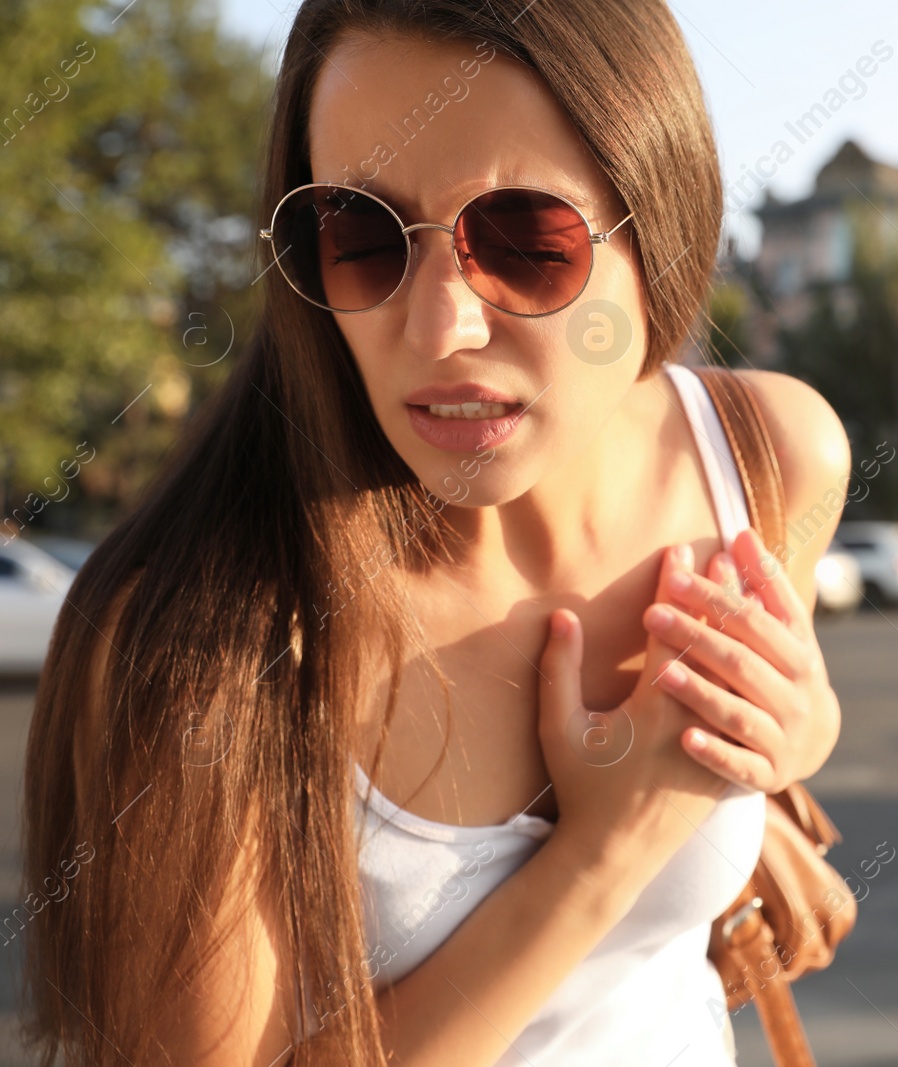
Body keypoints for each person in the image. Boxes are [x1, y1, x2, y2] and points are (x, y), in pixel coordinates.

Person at [19, 2, 850, 1064]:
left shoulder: (768, 457)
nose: (439, 327)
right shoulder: (203, 640)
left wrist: (794, 734)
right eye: (359, 236)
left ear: (661, 226)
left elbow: (762, 747)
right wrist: (604, 853)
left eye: (522, 241)